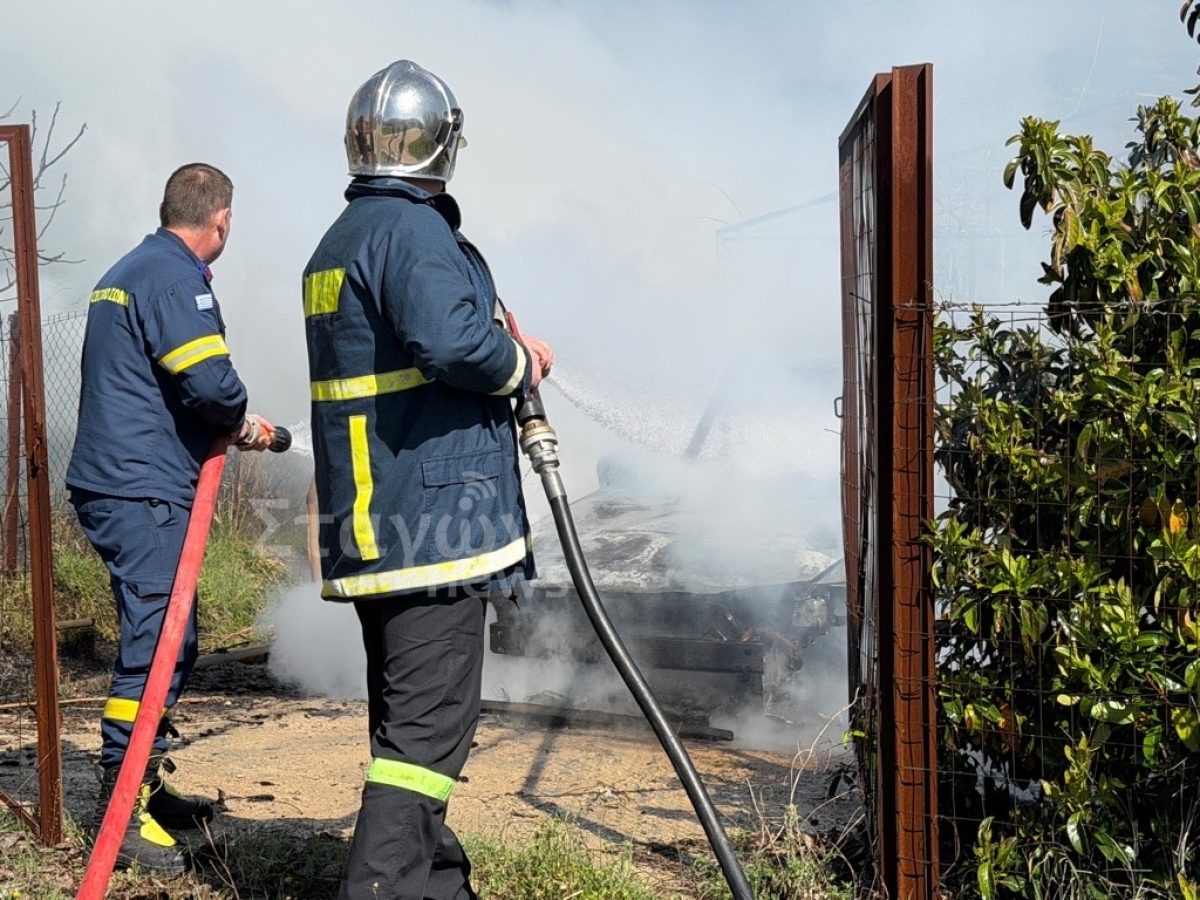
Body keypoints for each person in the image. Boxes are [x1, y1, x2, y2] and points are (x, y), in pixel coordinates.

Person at [304, 60, 553, 899]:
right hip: (435, 529)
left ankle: (437, 885)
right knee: (423, 742)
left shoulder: (341, 240)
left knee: (411, 728)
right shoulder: (411, 234)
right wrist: (519, 361)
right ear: (442, 145)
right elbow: (451, 345)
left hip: (383, 528)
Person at [66, 163, 276, 873]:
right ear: (220, 220)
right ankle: (118, 818)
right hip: (140, 488)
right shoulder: (172, 276)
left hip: (127, 483)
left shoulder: (134, 266)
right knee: (155, 647)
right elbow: (213, 385)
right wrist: (249, 425)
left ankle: (144, 785)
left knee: (172, 639)